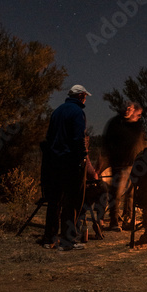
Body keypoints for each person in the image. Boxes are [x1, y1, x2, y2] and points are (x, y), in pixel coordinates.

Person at [40, 84, 90, 252]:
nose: (85, 99)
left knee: (54, 201)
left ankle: (49, 239)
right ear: (80, 96)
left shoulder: (57, 111)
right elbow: (78, 138)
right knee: (72, 201)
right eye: (84, 96)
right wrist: (82, 156)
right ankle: (68, 240)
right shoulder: (77, 113)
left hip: (54, 163)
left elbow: (49, 137)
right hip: (71, 163)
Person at [101, 101, 146, 230]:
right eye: (125, 108)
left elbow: (140, 142)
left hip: (134, 165)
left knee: (131, 195)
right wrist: (112, 158)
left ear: (133, 110)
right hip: (120, 164)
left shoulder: (136, 125)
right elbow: (107, 143)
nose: (128, 110)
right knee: (116, 193)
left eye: (130, 108)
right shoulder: (115, 123)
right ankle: (114, 221)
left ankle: (128, 220)